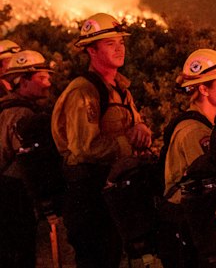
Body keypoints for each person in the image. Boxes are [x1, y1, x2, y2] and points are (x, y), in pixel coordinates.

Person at [51, 13, 152, 268]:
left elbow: (130, 124)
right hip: (89, 196)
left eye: (121, 42)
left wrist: (141, 128)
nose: (120, 48)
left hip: (112, 193)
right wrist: (129, 142)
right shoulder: (83, 91)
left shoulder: (120, 89)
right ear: (91, 50)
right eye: (110, 43)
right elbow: (85, 148)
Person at [159, 48, 216, 268]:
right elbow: (211, 184)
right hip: (190, 229)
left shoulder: (206, 126)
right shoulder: (195, 133)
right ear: (203, 88)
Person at [0, 50, 54, 268]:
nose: (48, 83)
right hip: (13, 194)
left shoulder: (10, 109)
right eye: (41, 78)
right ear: (22, 81)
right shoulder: (21, 115)